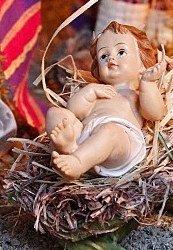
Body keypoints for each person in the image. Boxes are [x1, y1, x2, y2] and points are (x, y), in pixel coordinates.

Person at [46, 21, 166, 179]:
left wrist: (148, 83)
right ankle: (70, 148)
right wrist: (89, 91)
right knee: (54, 113)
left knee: (109, 131)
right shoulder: (98, 91)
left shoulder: (136, 94)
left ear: (142, 64)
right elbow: (74, 111)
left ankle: (77, 162)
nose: (111, 58)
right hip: (85, 136)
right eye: (103, 56)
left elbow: (155, 113)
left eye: (121, 52)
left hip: (119, 142)